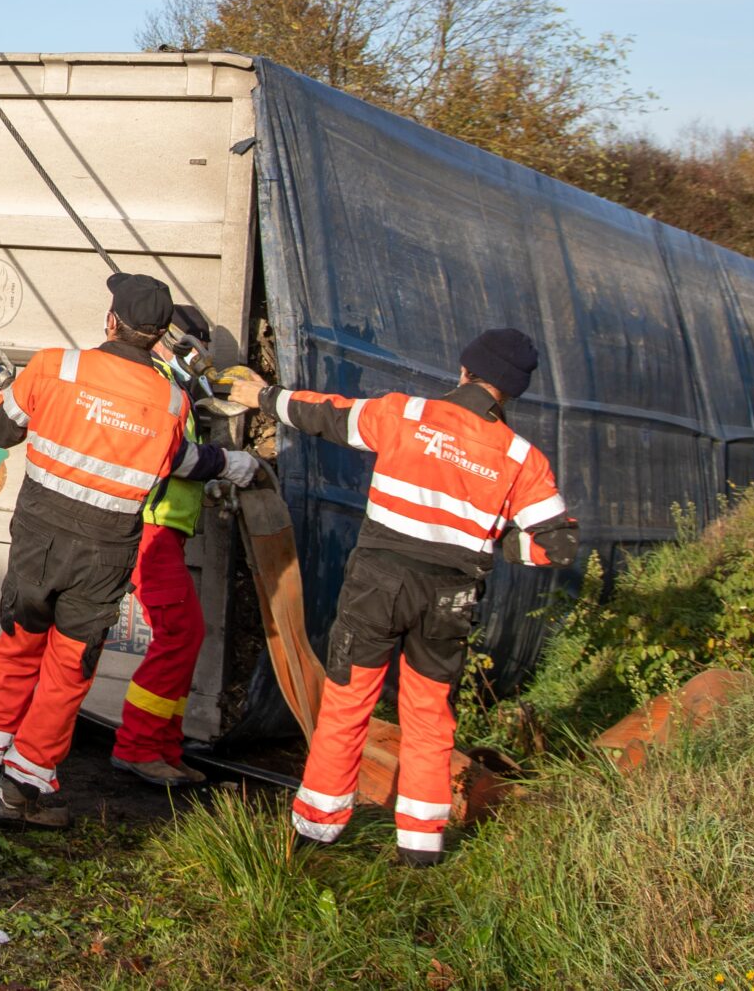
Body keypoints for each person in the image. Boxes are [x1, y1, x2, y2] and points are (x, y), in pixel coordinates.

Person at [228, 328, 577, 865]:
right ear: (511, 392)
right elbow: (558, 545)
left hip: (379, 586)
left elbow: (325, 415)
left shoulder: (406, 414)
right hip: (451, 597)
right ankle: (420, 850)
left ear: (465, 371)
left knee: (347, 703)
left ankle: (314, 836)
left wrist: (261, 396)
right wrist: (495, 545)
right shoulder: (520, 458)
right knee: (430, 716)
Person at [0, 274, 264, 829]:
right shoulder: (170, 402)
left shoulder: (52, 367)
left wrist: (8, 390)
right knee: (69, 670)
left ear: (111, 322)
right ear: (159, 336)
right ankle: (20, 792)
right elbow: (179, 464)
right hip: (104, 553)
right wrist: (233, 464)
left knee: (17, 647)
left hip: (38, 545)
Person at [108, 303, 222, 789]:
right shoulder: (153, 384)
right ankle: (137, 747)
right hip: (148, 529)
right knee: (181, 634)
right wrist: (223, 465)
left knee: (183, 636)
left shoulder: (175, 388)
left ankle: (163, 747)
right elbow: (163, 453)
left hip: (164, 530)